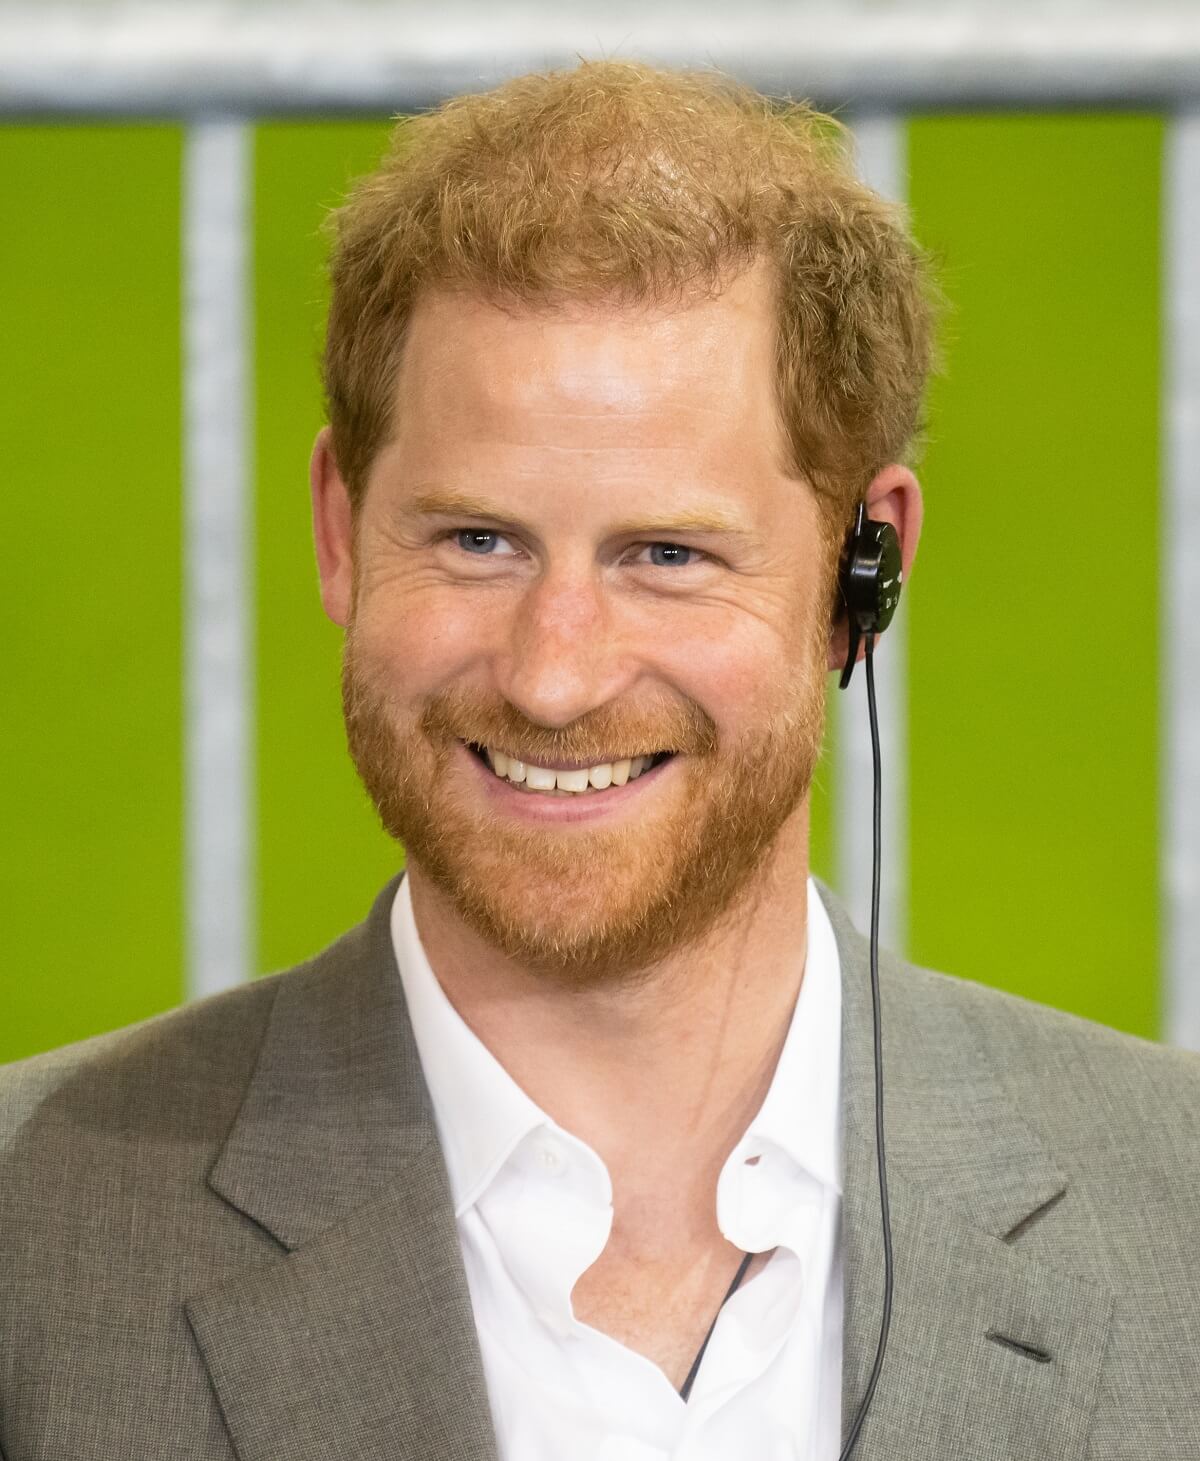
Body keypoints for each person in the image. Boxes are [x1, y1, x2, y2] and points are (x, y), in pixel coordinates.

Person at [1, 60, 1197, 1461]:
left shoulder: (1176, 1215)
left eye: (668, 555)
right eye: (476, 540)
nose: (554, 671)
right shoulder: (33, 1235)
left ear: (862, 573)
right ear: (339, 528)